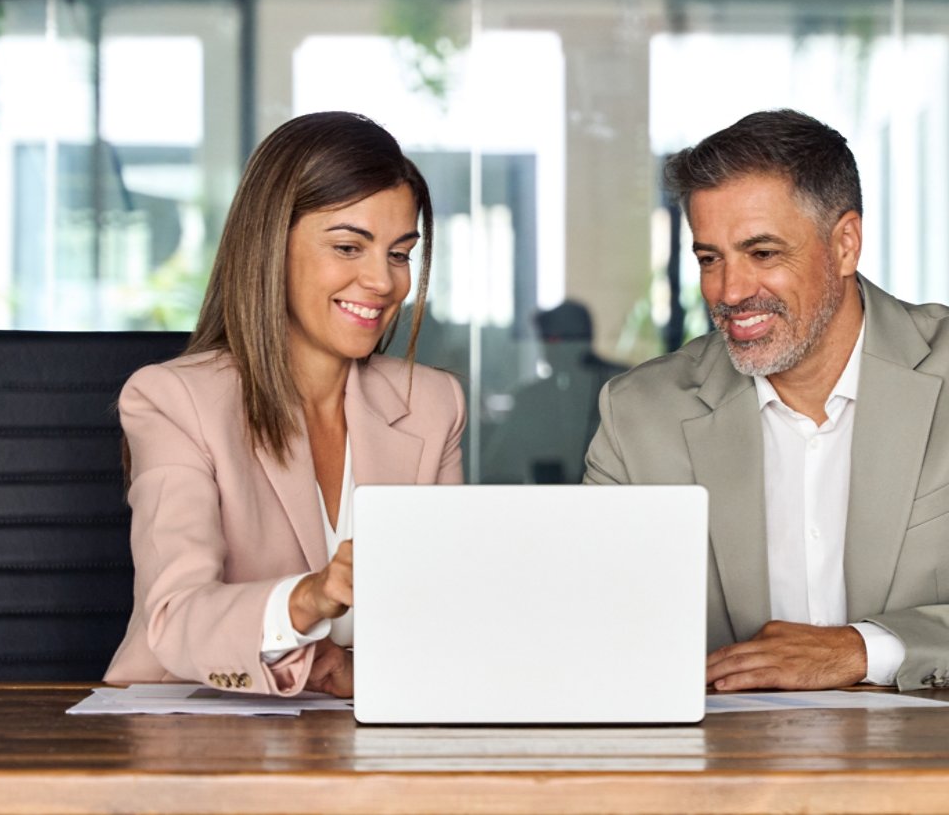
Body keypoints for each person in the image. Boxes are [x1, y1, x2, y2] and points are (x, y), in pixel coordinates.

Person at [584, 109, 949, 692]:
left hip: (942, 767)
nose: (730, 291)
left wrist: (862, 650)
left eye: (763, 253)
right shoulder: (639, 416)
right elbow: (582, 634)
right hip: (725, 770)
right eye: (710, 258)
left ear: (845, 244)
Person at [105, 111, 463, 697]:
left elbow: (443, 619)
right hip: (196, 737)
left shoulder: (431, 404)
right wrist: (309, 599)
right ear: (272, 246)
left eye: (399, 254)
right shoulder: (174, 401)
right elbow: (174, 616)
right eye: (349, 246)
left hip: (367, 740)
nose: (383, 281)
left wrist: (353, 673)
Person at [483, 301, 627, 484]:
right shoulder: (533, 399)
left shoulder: (620, 387)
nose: (545, 348)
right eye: (543, 339)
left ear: (578, 340)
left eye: (551, 339)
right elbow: (499, 467)